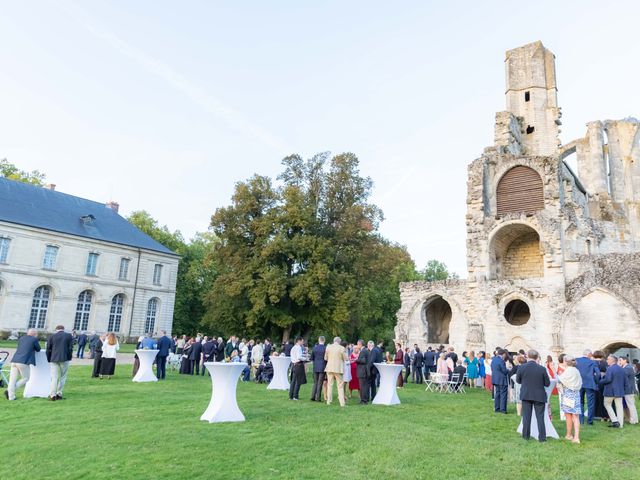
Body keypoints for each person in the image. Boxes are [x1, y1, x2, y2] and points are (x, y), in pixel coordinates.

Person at [516, 350, 550, 442]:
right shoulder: (542, 369)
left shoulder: (522, 367)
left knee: (526, 417)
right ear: (536, 357)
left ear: (528, 356)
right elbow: (547, 383)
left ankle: (525, 436)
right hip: (539, 395)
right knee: (540, 417)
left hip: (526, 394)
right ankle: (542, 438)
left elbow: (518, 380)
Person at [6, 329, 40, 401]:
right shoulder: (34, 339)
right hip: (23, 362)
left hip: (14, 360)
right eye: (36, 334)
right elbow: (38, 349)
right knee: (26, 378)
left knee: (12, 380)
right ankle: (10, 391)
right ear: (34, 334)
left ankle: (11, 397)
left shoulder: (21, 338)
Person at [557, 355, 583, 444]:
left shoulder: (568, 371)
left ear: (565, 362)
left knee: (570, 416)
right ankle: (572, 436)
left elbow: (560, 380)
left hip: (568, 395)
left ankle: (572, 436)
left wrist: (553, 371)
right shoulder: (576, 370)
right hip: (576, 394)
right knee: (574, 416)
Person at [46, 325, 73, 400]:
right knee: (63, 376)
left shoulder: (52, 336)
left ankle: (52, 395)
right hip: (64, 358)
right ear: (63, 329)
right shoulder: (68, 336)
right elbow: (70, 348)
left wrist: (49, 358)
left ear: (56, 329)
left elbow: (48, 349)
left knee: (54, 377)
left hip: (53, 359)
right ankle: (59, 393)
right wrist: (69, 357)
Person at [600, 354, 626, 428]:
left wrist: (600, 381)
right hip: (619, 391)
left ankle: (615, 421)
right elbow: (625, 381)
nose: (607, 360)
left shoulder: (610, 368)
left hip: (610, 391)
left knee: (607, 404)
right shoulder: (621, 368)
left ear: (612, 360)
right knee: (619, 407)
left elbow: (608, 379)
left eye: (608, 359)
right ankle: (620, 424)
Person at [575, 349, 599, 425]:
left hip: (579, 384)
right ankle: (589, 421)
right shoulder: (592, 362)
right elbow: (598, 374)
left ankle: (581, 420)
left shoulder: (576, 360)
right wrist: (596, 382)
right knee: (590, 403)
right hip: (589, 384)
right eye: (591, 355)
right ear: (589, 355)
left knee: (580, 402)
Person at [324, 336, 348, 407]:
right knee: (340, 386)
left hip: (329, 368)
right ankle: (342, 403)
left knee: (330, 385)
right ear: (339, 341)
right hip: (338, 369)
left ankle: (328, 401)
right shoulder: (342, 348)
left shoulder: (328, 347)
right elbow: (345, 358)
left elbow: (325, 358)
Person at [620, 357, 638, 424]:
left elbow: (622, 375)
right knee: (628, 405)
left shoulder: (628, 368)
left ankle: (634, 420)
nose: (619, 361)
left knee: (631, 405)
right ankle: (630, 418)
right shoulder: (625, 367)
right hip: (626, 389)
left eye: (621, 360)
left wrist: (619, 368)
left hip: (629, 389)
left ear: (625, 360)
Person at [491, 349, 509, 414]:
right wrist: (509, 370)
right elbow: (504, 371)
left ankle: (497, 408)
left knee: (497, 394)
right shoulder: (501, 361)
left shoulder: (494, 359)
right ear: (503, 354)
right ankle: (503, 409)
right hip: (502, 380)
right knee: (503, 395)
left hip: (495, 379)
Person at [310, 336, 327, 402]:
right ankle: (318, 398)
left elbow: (312, 358)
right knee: (320, 383)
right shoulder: (325, 348)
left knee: (315, 382)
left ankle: (313, 396)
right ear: (324, 340)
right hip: (322, 367)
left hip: (315, 366)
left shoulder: (314, 348)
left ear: (319, 340)